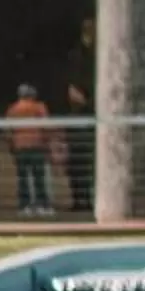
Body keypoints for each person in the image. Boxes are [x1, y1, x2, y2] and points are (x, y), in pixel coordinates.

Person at [4, 80, 53, 216]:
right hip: (37, 145)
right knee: (39, 177)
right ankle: (43, 205)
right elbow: (46, 126)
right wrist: (47, 143)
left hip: (20, 146)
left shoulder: (13, 109)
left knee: (22, 178)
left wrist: (11, 146)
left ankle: (24, 206)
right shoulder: (39, 107)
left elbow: (8, 130)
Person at [62, 82, 96, 218]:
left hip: (84, 147)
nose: (71, 96)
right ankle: (77, 200)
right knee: (74, 176)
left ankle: (86, 201)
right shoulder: (72, 112)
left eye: (74, 92)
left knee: (84, 176)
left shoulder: (88, 111)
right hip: (73, 147)